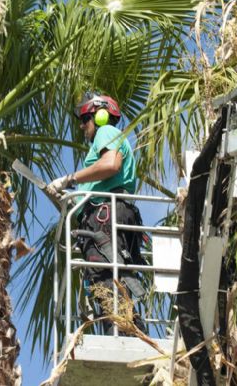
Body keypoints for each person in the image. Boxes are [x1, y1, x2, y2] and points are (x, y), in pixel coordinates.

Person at [47, 92, 147, 334]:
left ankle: (125, 334)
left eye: (85, 120)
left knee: (106, 280)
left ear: (100, 116)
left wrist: (70, 179)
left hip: (105, 217)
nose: (82, 126)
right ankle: (128, 332)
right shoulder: (107, 137)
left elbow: (111, 165)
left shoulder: (106, 132)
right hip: (107, 216)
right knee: (111, 281)